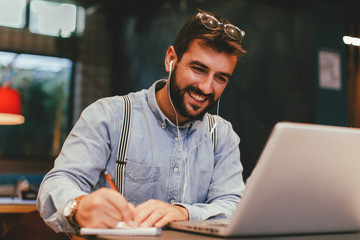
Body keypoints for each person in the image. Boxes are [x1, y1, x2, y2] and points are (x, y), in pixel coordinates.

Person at [37, 9, 247, 233]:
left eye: (220, 78)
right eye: (198, 69)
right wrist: (78, 206)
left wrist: (184, 212)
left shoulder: (223, 136)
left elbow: (234, 205)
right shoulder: (108, 116)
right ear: (171, 59)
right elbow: (58, 181)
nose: (206, 87)